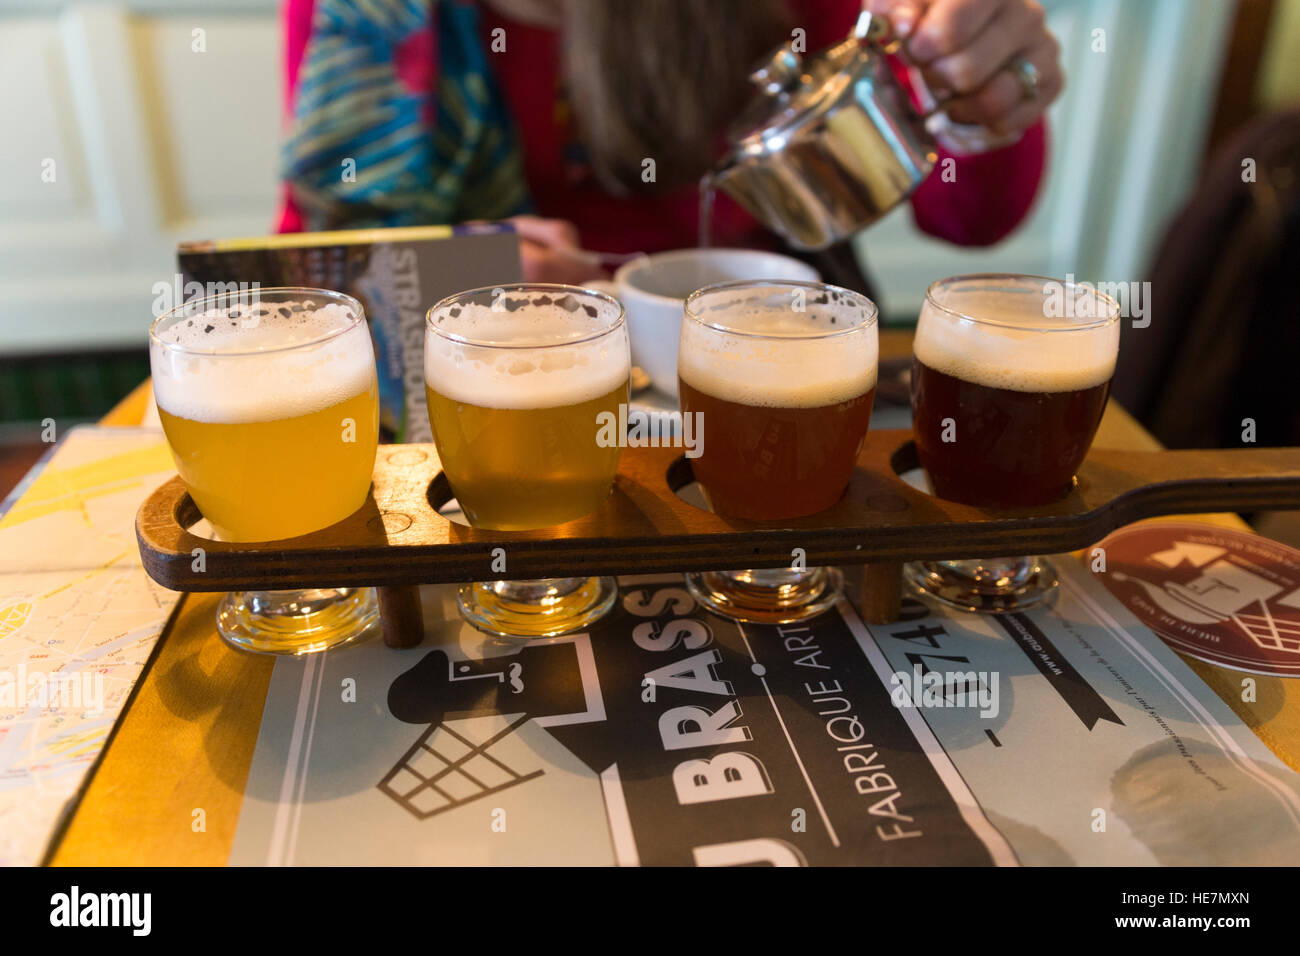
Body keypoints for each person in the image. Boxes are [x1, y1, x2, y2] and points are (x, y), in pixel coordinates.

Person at [279, 0, 1063, 285]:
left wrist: (982, 90)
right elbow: (311, 252)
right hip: (507, 375)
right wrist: (445, 267)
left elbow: (970, 220)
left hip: (761, 343)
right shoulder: (363, 14)